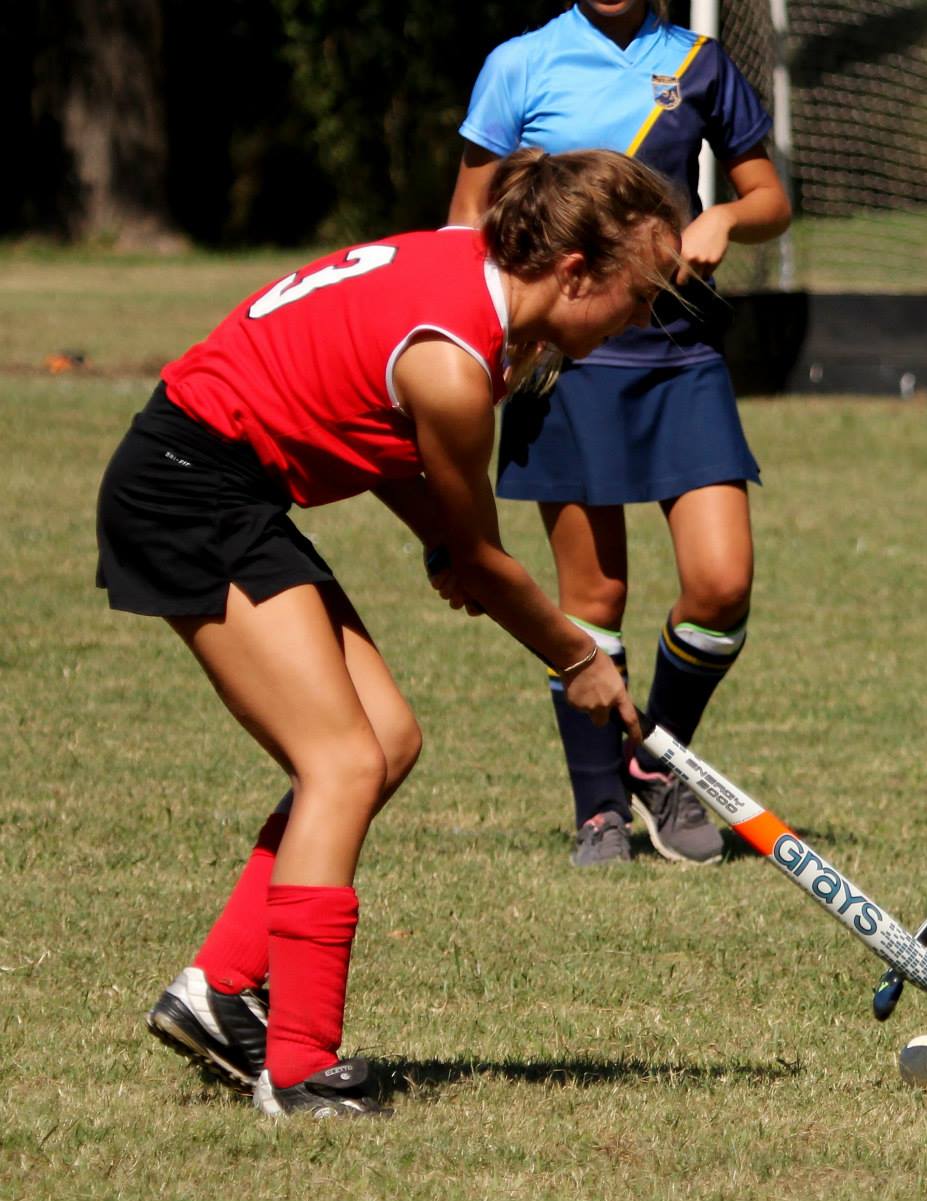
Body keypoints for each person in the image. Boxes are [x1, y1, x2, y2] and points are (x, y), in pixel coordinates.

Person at [105, 148, 686, 1116]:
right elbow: (486, 556)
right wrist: (579, 657)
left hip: (228, 485)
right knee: (338, 758)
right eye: (638, 295)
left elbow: (367, 424)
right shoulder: (455, 365)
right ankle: (296, 1065)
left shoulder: (468, 278)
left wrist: (445, 546)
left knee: (385, 741)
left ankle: (217, 989)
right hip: (186, 488)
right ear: (575, 271)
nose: (643, 317)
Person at [449, 0, 792, 867]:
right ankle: (597, 806)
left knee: (722, 583)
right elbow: (463, 223)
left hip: (679, 351)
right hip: (565, 360)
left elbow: (772, 199)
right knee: (593, 598)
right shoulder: (519, 64)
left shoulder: (702, 65)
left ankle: (655, 757)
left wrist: (724, 218)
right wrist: (490, 349)